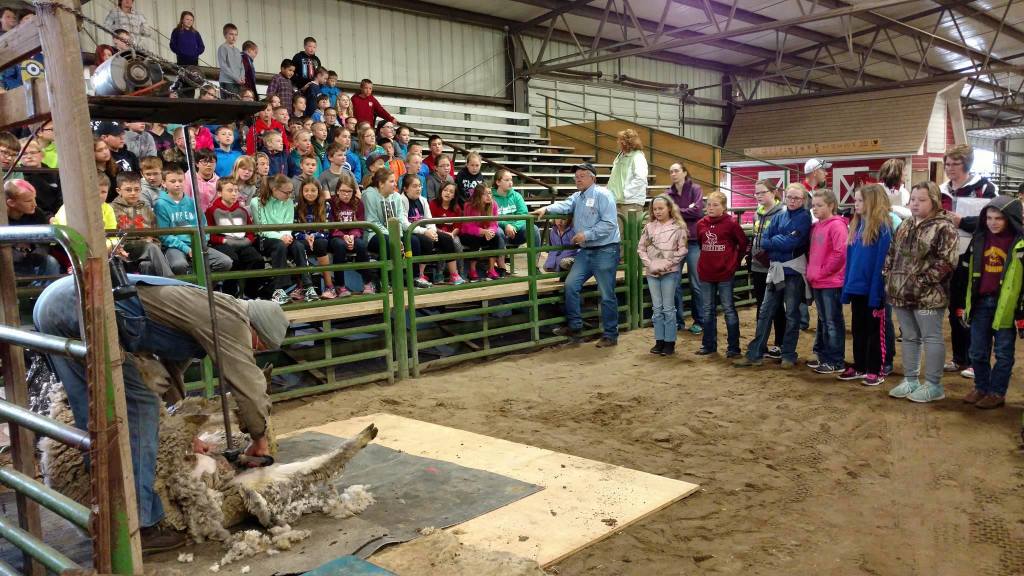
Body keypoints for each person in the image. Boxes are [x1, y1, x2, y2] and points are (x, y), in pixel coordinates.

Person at [34, 270, 288, 553]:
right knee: (140, 404)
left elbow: (171, 375)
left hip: (60, 300)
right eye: (259, 345)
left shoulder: (205, 310)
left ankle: (102, 513)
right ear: (255, 328)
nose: (254, 350)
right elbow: (248, 384)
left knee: (92, 413)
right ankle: (139, 526)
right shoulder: (230, 319)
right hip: (81, 305)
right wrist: (259, 438)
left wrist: (184, 433)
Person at [884, 181, 959, 403]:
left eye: (921, 200)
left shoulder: (944, 227)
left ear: (934, 201)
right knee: (909, 337)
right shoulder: (905, 224)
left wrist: (922, 282)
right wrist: (888, 274)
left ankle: (934, 385)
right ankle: (911, 379)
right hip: (899, 292)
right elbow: (892, 252)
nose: (915, 204)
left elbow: (947, 261)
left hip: (928, 296)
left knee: (931, 338)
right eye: (913, 199)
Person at [532, 163, 621, 348]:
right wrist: (546, 209)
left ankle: (610, 334)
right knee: (571, 286)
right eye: (576, 176)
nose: (577, 179)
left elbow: (610, 224)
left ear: (592, 178)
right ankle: (575, 327)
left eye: (582, 175)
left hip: (605, 249)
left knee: (606, 294)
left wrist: (586, 235)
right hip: (587, 250)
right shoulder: (578, 197)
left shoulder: (603, 195)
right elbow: (565, 205)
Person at [955, 196, 1024, 410]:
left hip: (1007, 307)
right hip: (980, 303)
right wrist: (963, 304)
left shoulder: (1020, 244)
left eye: (999, 218)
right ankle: (981, 387)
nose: (993, 222)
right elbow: (965, 276)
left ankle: (997, 392)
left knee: (1003, 353)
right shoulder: (978, 240)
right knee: (976, 351)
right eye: (989, 217)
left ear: (1010, 219)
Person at [734, 183, 812, 369]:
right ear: (785, 196)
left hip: (792, 271)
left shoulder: (804, 217)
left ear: (803, 200)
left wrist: (777, 240)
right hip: (777, 269)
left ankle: (788, 354)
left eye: (797, 198)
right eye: (790, 197)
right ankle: (756, 353)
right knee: (765, 311)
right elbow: (765, 240)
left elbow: (789, 242)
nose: (792, 201)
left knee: (792, 314)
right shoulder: (781, 215)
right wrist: (780, 240)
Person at [940, 144, 998, 379]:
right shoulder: (941, 190)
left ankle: (977, 360)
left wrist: (962, 221)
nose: (949, 168)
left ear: (966, 164)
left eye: (954, 164)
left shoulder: (985, 188)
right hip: (948, 255)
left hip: (976, 257)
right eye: (947, 164)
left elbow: (995, 220)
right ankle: (959, 357)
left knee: (975, 310)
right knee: (955, 310)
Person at [153, 165, 232, 276]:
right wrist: (186, 248)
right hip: (174, 247)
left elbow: (203, 225)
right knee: (179, 265)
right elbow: (164, 235)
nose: (177, 184)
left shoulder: (192, 202)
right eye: (173, 181)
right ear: (164, 183)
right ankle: (185, 291)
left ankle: (201, 290)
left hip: (196, 244)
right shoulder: (160, 204)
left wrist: (202, 242)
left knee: (225, 262)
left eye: (180, 181)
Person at [695, 191, 747, 358]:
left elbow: (743, 243)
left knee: (728, 309)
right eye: (709, 204)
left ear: (724, 207)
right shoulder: (701, 224)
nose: (711, 208)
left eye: (715, 205)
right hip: (706, 272)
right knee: (707, 310)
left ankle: (733, 347)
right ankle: (708, 345)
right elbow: (700, 244)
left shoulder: (731, 224)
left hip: (725, 273)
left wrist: (734, 264)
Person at [250, 174, 314, 304]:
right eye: (287, 192)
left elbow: (288, 223)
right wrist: (280, 237)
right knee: (279, 245)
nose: (290, 195)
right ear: (274, 190)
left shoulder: (289, 202)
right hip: (266, 238)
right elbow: (261, 228)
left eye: (291, 192)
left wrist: (286, 235)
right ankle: (278, 290)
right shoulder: (256, 202)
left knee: (299, 246)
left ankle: (307, 286)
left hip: (285, 236)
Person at [805, 189, 849, 376]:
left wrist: (822, 272)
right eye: (813, 206)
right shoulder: (817, 227)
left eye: (819, 205)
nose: (815, 209)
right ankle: (825, 357)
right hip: (818, 280)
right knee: (824, 320)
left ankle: (835, 360)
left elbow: (840, 253)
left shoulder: (837, 226)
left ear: (831, 205)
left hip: (831, 281)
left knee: (832, 321)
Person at [638, 195, 688, 356]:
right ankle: (659, 340)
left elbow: (682, 249)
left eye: (661, 208)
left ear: (669, 209)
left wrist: (668, 263)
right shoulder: (649, 227)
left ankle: (669, 342)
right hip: (652, 273)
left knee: (668, 308)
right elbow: (641, 248)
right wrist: (650, 264)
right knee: (657, 308)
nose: (658, 211)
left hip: (669, 272)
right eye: (655, 209)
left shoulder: (678, 228)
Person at [205, 177, 265, 298]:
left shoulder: (242, 210)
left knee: (257, 259)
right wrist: (223, 240)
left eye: (236, 190)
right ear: (220, 193)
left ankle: (250, 294)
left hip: (243, 243)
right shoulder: (211, 211)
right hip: (223, 244)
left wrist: (249, 239)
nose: (234, 193)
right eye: (230, 190)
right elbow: (210, 235)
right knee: (233, 260)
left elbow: (250, 231)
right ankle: (230, 294)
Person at [110, 172, 174, 277]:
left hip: (147, 247)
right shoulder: (113, 208)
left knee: (147, 265)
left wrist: (151, 238)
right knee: (151, 248)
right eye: (128, 190)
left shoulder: (145, 207)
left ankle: (152, 291)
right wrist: (144, 238)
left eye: (136, 189)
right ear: (118, 191)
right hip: (125, 247)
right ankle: (172, 282)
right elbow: (118, 234)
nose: (133, 193)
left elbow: (155, 229)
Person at [749, 180, 786, 359]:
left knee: (777, 307)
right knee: (760, 307)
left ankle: (780, 343)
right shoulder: (757, 214)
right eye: (756, 193)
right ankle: (761, 343)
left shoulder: (782, 213)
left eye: (762, 192)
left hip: (774, 266)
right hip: (758, 265)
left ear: (773, 192)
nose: (759, 196)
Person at [666, 162, 704, 335]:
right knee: (673, 283)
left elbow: (698, 212)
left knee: (696, 283)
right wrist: (685, 210)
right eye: (671, 171)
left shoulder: (695, 189)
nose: (673, 174)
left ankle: (700, 321)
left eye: (676, 171)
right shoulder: (669, 193)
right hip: (676, 242)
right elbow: (667, 214)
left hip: (694, 241)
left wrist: (677, 211)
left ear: (684, 172)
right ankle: (677, 321)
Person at [5, 179, 60, 282]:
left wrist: (39, 252)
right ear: (11, 203)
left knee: (51, 262)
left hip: (32, 259)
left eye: (34, 199)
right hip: (9, 262)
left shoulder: (37, 213)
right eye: (28, 201)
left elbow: (45, 241)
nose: (34, 204)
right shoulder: (3, 218)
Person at [329, 172, 374, 295]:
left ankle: (367, 283)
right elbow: (330, 224)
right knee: (339, 246)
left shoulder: (358, 203)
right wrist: (343, 236)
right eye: (343, 191)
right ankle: (340, 285)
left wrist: (352, 236)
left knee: (361, 246)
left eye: (349, 191)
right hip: (336, 236)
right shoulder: (331, 203)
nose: (346, 194)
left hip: (354, 235)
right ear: (337, 190)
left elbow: (359, 225)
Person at [294, 178, 335, 299]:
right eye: (306, 190)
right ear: (301, 191)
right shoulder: (296, 205)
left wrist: (313, 236)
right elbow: (294, 228)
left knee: (321, 244)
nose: (309, 193)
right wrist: (305, 236)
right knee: (298, 246)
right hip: (302, 238)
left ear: (319, 191)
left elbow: (326, 229)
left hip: (319, 238)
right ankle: (302, 287)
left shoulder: (325, 205)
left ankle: (329, 286)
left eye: (313, 190)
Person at [492, 168, 537, 276]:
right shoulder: (491, 197)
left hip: (516, 231)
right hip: (499, 230)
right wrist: (506, 225)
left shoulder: (517, 196)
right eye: (507, 180)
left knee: (533, 229)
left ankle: (534, 265)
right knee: (498, 232)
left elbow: (523, 215)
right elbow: (492, 217)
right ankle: (501, 268)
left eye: (511, 180)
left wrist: (514, 227)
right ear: (498, 182)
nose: (510, 183)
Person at [460, 182, 501, 282]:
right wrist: (482, 231)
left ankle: (491, 269)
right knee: (476, 239)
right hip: (468, 234)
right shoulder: (468, 205)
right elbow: (467, 226)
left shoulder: (493, 204)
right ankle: (472, 270)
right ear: (478, 195)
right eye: (485, 194)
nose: (489, 196)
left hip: (486, 233)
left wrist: (490, 231)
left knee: (496, 237)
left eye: (490, 193)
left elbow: (494, 224)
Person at [608, 129, 648, 229]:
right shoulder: (619, 156)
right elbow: (614, 177)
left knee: (631, 235)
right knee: (619, 236)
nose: (618, 142)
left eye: (619, 140)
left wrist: (624, 193)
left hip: (631, 203)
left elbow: (640, 178)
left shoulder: (638, 156)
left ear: (625, 142)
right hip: (617, 201)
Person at [428, 180, 466, 285]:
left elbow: (458, 225)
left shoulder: (456, 208)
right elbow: (430, 223)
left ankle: (460, 272)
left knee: (457, 244)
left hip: (452, 233)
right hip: (436, 233)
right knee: (443, 243)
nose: (447, 193)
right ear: (441, 191)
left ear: (454, 195)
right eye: (445, 190)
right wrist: (443, 233)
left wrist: (452, 234)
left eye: (451, 191)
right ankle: (439, 273)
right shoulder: (433, 204)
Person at [18, 139, 61, 217]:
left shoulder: (55, 173)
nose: (29, 156)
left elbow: (62, 198)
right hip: (34, 218)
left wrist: (59, 216)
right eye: (24, 153)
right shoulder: (18, 176)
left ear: (42, 154)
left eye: (33, 152)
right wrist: (48, 217)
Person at [169, 10, 203, 96]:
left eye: (191, 20)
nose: (189, 22)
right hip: (182, 62)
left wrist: (195, 54)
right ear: (182, 20)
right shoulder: (177, 31)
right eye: (187, 19)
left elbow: (202, 47)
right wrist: (180, 53)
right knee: (182, 83)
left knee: (192, 84)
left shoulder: (195, 33)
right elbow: (172, 45)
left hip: (193, 63)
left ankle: (190, 103)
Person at [217, 23, 244, 99]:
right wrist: (237, 78)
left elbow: (241, 66)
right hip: (227, 81)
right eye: (231, 34)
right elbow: (223, 66)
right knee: (230, 103)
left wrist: (242, 77)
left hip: (238, 82)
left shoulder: (237, 50)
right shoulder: (223, 48)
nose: (234, 37)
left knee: (238, 102)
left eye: (236, 34)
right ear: (225, 35)